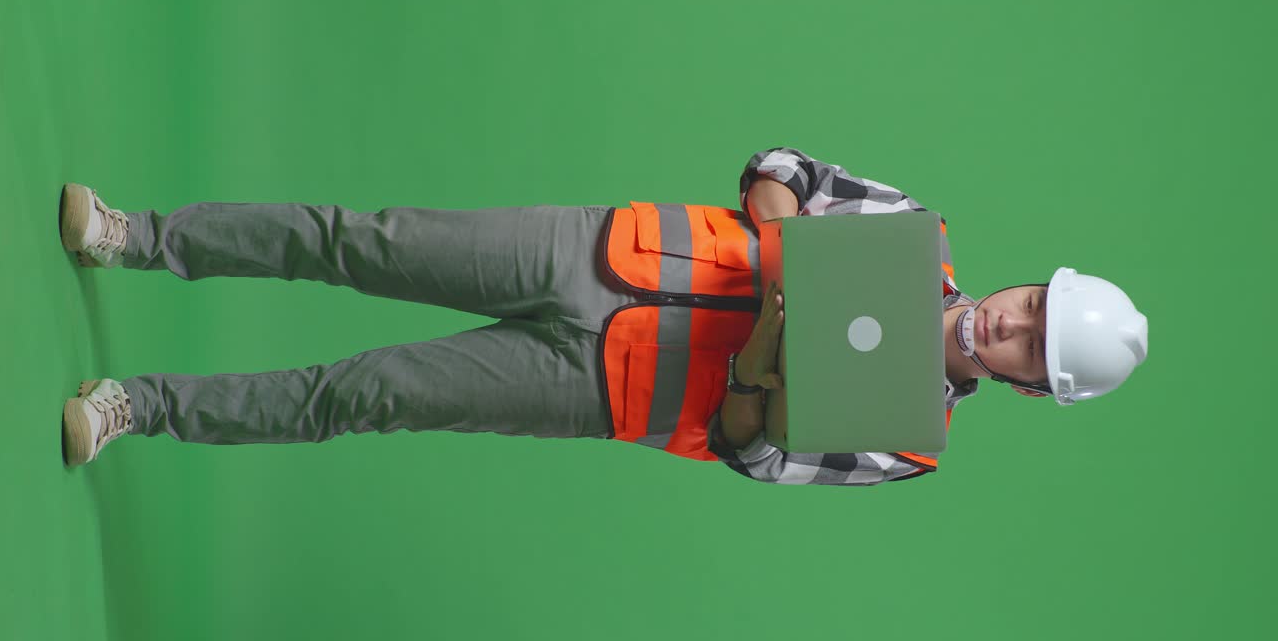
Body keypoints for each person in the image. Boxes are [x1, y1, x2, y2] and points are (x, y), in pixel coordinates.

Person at [59, 146, 1150, 485]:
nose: (1005, 322)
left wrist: (770, 354)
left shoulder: (912, 439)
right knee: (365, 239)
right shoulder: (918, 233)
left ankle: (139, 408)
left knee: (367, 392)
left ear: (1017, 383)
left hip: (599, 387)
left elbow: (751, 453)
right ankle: (137, 236)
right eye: (1026, 307)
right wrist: (787, 266)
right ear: (1020, 288)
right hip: (601, 249)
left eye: (1025, 343)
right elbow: (778, 167)